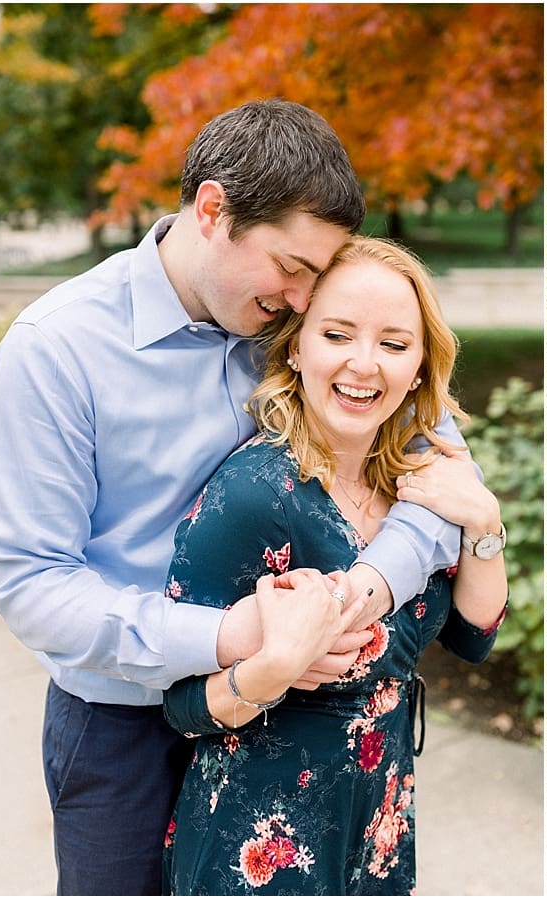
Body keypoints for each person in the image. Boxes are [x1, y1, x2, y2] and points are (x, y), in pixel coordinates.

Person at [0, 100, 477, 895]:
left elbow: (444, 465)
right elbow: (33, 583)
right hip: (125, 730)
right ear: (213, 209)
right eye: (293, 267)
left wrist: (365, 586)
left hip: (289, 730)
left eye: (320, 271)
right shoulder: (55, 348)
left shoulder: (302, 324)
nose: (310, 298)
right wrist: (236, 635)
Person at [160, 236, 508, 894]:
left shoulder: (420, 480)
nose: (364, 364)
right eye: (338, 334)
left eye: (394, 343)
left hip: (375, 829)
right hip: (261, 849)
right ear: (297, 346)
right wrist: (272, 668)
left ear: (419, 365)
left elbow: (473, 638)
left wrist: (483, 522)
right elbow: (178, 703)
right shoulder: (253, 495)